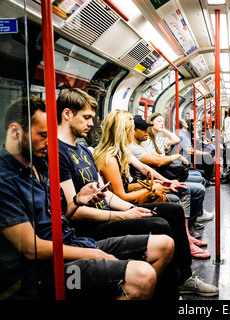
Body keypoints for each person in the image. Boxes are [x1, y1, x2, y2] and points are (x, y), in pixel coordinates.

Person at [0, 96, 174, 300]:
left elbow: (61, 216)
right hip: (43, 273)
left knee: (165, 245)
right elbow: (31, 248)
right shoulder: (6, 179)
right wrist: (92, 254)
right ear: (15, 132)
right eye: (43, 135)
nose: (49, 143)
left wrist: (77, 200)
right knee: (142, 277)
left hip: (73, 242)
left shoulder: (41, 165)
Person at [57, 89, 218, 297]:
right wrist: (124, 214)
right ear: (68, 114)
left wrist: (134, 209)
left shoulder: (83, 151)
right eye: (87, 118)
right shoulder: (62, 153)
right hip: (93, 225)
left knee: (172, 210)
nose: (90, 124)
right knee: (160, 223)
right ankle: (169, 284)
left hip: (108, 211)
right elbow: (74, 210)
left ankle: (180, 278)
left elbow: (107, 193)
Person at [131, 115, 215, 248]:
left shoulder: (149, 141)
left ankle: (190, 226)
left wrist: (165, 181)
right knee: (189, 189)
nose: (146, 132)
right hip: (151, 181)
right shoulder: (133, 146)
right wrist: (165, 180)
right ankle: (185, 234)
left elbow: (153, 162)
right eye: (158, 122)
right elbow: (152, 165)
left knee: (199, 180)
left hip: (159, 177)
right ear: (132, 131)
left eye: (164, 121)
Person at [178, 119, 215, 184]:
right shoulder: (182, 135)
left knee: (208, 155)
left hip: (191, 155)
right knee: (208, 158)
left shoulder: (185, 134)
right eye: (185, 122)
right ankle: (209, 178)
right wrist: (203, 153)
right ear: (183, 124)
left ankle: (209, 177)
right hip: (188, 157)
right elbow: (188, 151)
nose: (186, 124)